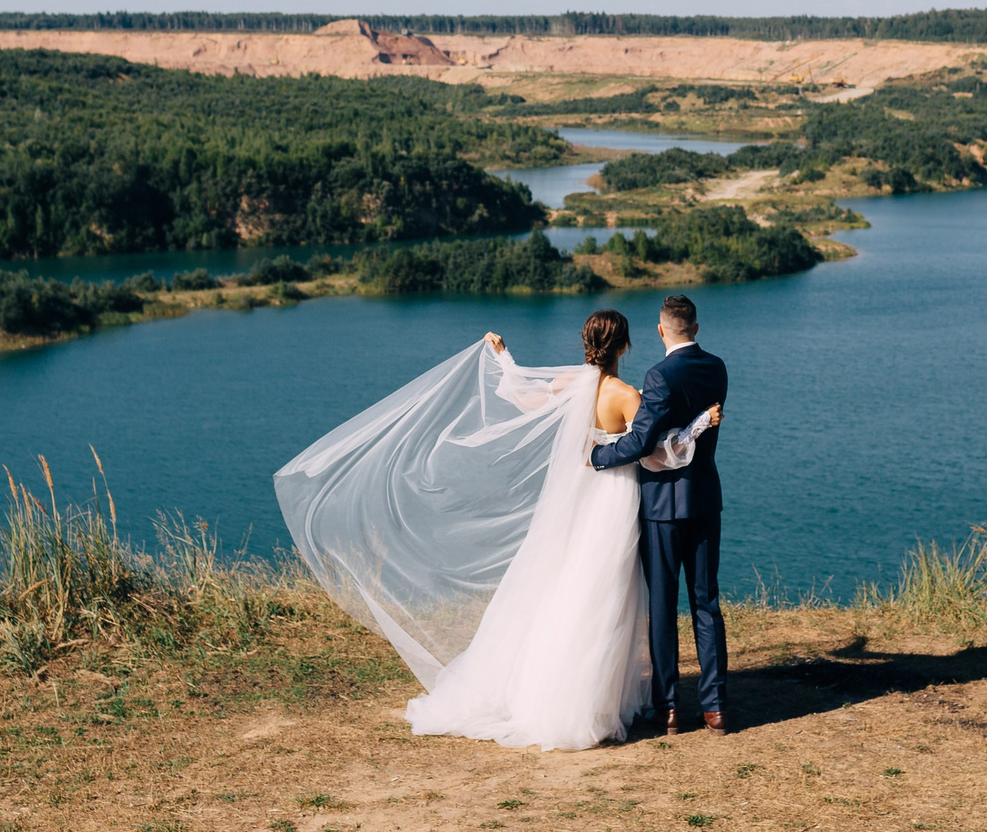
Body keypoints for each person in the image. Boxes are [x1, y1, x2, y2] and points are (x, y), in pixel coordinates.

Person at [273, 306, 721, 751]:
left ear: (586, 344)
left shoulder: (568, 386)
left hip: (577, 493)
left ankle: (570, 690)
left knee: (565, 582)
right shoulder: (627, 395)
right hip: (614, 497)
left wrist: (504, 359)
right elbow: (654, 453)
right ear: (625, 345)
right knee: (609, 589)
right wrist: (699, 426)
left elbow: (524, 398)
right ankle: (611, 695)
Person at [590, 293, 730, 735]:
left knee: (664, 606)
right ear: (697, 327)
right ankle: (715, 708)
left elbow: (640, 444)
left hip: (662, 509)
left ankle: (668, 708)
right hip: (706, 500)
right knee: (706, 603)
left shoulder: (658, 376)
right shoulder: (718, 368)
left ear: (660, 330)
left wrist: (595, 456)